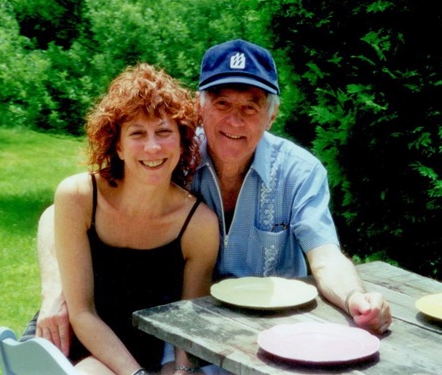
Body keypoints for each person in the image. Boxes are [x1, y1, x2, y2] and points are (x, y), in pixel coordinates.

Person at [26, 40, 392, 368]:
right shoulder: (169, 156)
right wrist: (58, 291)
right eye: (222, 103)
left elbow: (325, 256)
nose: (235, 120)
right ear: (200, 108)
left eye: (251, 106)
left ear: (272, 115)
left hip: (274, 335)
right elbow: (61, 213)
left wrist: (355, 298)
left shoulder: (299, 172)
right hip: (184, 335)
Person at [44, 63, 219, 375]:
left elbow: (189, 322)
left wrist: (183, 371)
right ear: (119, 146)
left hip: (142, 354)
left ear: (181, 143)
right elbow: (82, 312)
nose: (152, 146)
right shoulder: (79, 196)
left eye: (164, 132)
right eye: (137, 133)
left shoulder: (199, 224)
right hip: (68, 345)